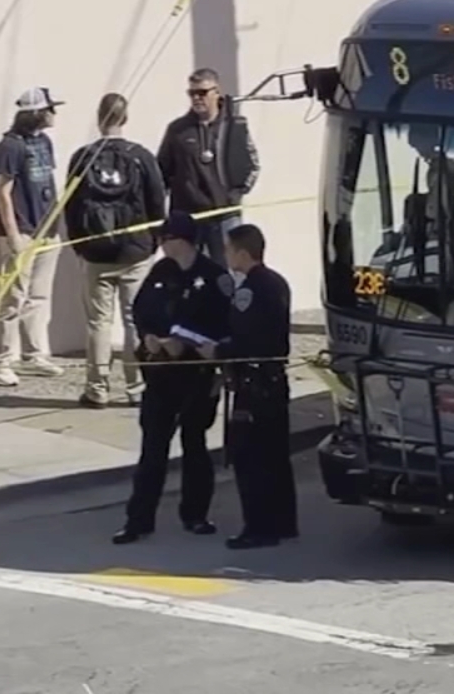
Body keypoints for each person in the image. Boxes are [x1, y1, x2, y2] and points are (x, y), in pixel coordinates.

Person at [112, 212, 233, 544]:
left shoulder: (214, 277)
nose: (162, 245)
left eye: (166, 239)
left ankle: (195, 515)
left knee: (194, 444)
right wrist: (151, 335)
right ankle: (138, 520)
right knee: (153, 448)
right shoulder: (161, 272)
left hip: (196, 373)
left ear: (182, 240)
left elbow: (224, 325)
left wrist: (189, 342)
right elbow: (142, 310)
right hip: (161, 373)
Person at [199, 223, 297, 550]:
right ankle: (283, 522)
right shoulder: (277, 283)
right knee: (276, 456)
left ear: (242, 252)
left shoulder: (249, 289)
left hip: (253, 384)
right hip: (274, 380)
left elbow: (247, 337)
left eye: (229, 249)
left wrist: (218, 351)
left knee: (250, 459)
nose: (226, 255)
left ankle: (258, 527)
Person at [65, 93, 167, 408]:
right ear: (125, 118)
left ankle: (97, 389)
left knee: (98, 322)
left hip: (95, 253)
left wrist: (79, 245)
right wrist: (154, 242)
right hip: (135, 251)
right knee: (134, 319)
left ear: (99, 117)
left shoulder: (82, 157)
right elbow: (156, 202)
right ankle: (136, 388)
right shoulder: (141, 157)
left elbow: (69, 206)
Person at [0, 86, 67, 387]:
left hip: (47, 230)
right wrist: (13, 234)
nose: (54, 114)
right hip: (22, 232)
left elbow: (48, 184)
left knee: (38, 297)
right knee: (13, 299)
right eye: (50, 108)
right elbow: (2, 192)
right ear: (37, 113)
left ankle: (34, 354)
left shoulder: (43, 142)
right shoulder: (9, 147)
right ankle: (1, 361)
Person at [156, 68, 261, 261]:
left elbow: (252, 165)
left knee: (229, 274)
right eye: (192, 93)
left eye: (202, 93)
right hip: (190, 218)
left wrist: (235, 194)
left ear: (216, 92)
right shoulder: (178, 130)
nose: (197, 98)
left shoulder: (233, 126)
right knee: (192, 275)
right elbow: (162, 172)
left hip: (225, 216)